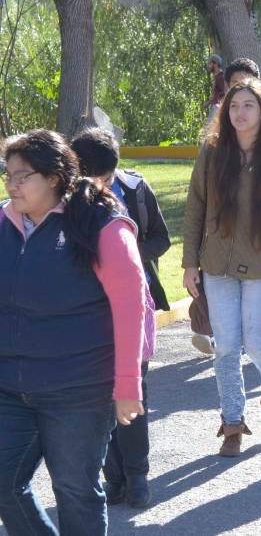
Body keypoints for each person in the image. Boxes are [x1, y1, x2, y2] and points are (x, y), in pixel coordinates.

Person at [0, 130, 147, 535]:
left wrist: (127, 386)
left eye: (22, 176)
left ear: (52, 178)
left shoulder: (100, 225)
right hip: (11, 385)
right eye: (7, 175)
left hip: (79, 389)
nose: (11, 184)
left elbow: (131, 306)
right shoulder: (4, 221)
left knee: (76, 491)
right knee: (5, 484)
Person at [182, 79, 261, 457]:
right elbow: (195, 208)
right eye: (234, 105)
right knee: (227, 349)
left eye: (248, 105)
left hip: (260, 266)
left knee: (256, 341)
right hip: (216, 264)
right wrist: (190, 263)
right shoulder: (213, 151)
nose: (240, 112)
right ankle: (232, 422)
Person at [70, 129, 170, 511]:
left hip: (132, 311)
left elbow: (160, 239)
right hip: (90, 321)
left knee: (132, 400)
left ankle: (138, 475)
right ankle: (114, 478)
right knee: (101, 404)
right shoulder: (65, 208)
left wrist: (126, 255)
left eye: (107, 176)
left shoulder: (135, 190)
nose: (103, 184)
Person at [204, 53, 227, 122]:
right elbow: (218, 94)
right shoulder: (217, 78)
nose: (208, 66)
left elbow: (225, 92)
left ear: (215, 64)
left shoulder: (221, 77)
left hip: (219, 108)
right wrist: (208, 103)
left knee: (209, 128)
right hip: (216, 107)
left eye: (210, 64)